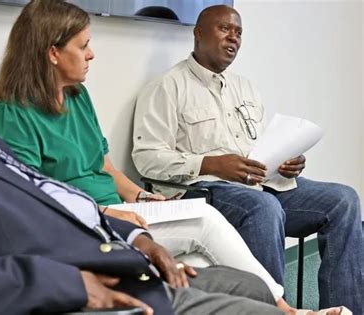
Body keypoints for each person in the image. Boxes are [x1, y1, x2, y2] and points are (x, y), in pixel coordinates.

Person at [0, 0, 292, 314]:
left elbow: (83, 174)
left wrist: (136, 218)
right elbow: (16, 216)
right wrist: (88, 262)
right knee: (221, 224)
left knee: (249, 283)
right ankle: (287, 307)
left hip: (104, 228)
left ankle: (278, 300)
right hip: (79, 256)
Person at [0, 1, 347, 315]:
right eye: (84, 46)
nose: (92, 54)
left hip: (125, 211)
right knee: (208, 222)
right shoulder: (15, 114)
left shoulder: (78, 97)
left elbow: (105, 168)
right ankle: (284, 309)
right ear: (52, 52)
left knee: (199, 266)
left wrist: (141, 196)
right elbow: (29, 198)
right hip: (92, 221)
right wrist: (104, 211)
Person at [132, 4, 363, 314]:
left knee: (343, 199)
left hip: (262, 186)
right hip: (208, 192)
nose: (233, 38)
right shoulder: (167, 87)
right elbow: (147, 158)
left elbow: (260, 150)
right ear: (198, 33)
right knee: (264, 208)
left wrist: (286, 165)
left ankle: (346, 308)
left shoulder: (245, 88)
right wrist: (211, 164)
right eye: (224, 29)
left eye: (238, 32)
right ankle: (275, 310)